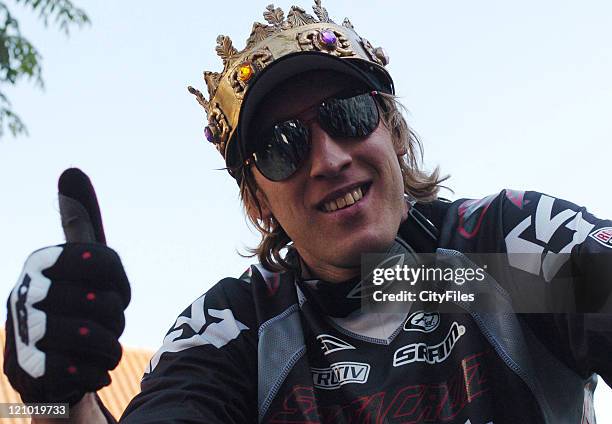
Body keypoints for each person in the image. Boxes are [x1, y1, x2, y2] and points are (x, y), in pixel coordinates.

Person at [4, 1, 612, 423]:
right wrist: (63, 403)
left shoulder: (501, 248)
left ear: (394, 132)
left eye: (347, 114)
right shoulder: (233, 327)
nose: (328, 159)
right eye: (281, 146)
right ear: (256, 198)